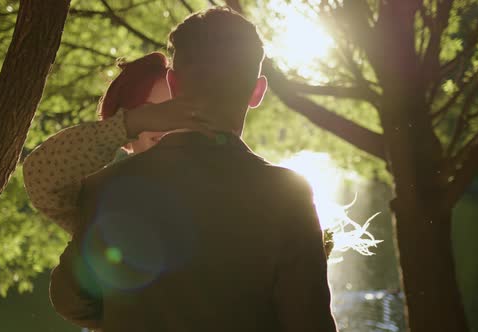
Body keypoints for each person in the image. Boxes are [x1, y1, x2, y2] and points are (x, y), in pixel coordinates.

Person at [49, 6, 337, 332]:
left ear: (172, 82)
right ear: (257, 91)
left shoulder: (107, 186)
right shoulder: (288, 194)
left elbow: (69, 298)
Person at [23, 52, 210, 234]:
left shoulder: (212, 185)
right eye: (152, 113)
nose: (165, 122)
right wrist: (131, 123)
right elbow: (39, 175)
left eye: (174, 111)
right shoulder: (102, 196)